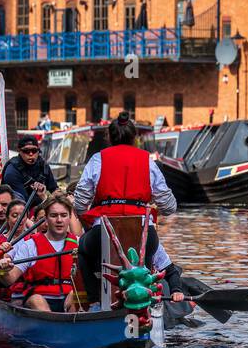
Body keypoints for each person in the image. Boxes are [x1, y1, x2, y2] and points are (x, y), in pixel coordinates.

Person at [73, 112, 178, 303]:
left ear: (109, 137)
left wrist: (88, 221)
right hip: (144, 234)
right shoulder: (147, 160)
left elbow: (80, 202)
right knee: (145, 261)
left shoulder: (97, 159)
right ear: (134, 137)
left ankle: (97, 301)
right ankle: (144, 302)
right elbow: (169, 207)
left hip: (103, 233)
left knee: (81, 250)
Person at [0, 192, 79, 312]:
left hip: (67, 298)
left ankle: (74, 325)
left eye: (64, 215)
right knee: (37, 300)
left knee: (75, 295)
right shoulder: (30, 245)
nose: (59, 220)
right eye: (54, 215)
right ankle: (50, 327)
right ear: (45, 218)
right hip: (37, 298)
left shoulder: (78, 243)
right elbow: (9, 280)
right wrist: (3, 270)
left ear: (69, 217)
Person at [1, 136, 60, 203]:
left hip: (41, 204)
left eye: (34, 151)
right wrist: (44, 198)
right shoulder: (11, 172)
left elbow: (54, 189)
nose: (31, 154)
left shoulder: (43, 166)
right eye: (26, 151)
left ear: (38, 151)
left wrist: (60, 197)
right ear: (19, 151)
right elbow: (21, 202)